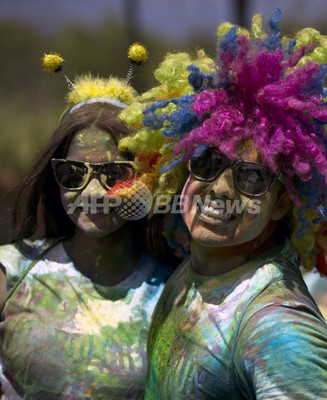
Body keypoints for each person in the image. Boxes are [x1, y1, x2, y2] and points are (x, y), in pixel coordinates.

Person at [119, 11, 327, 399]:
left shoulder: (280, 330)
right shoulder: (198, 267)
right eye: (208, 162)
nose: (220, 189)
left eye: (250, 176)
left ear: (281, 202)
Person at [0, 48, 177, 399]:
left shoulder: (173, 290)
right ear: (54, 178)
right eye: (73, 173)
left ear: (144, 178)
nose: (93, 191)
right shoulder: (11, 271)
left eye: (114, 174)